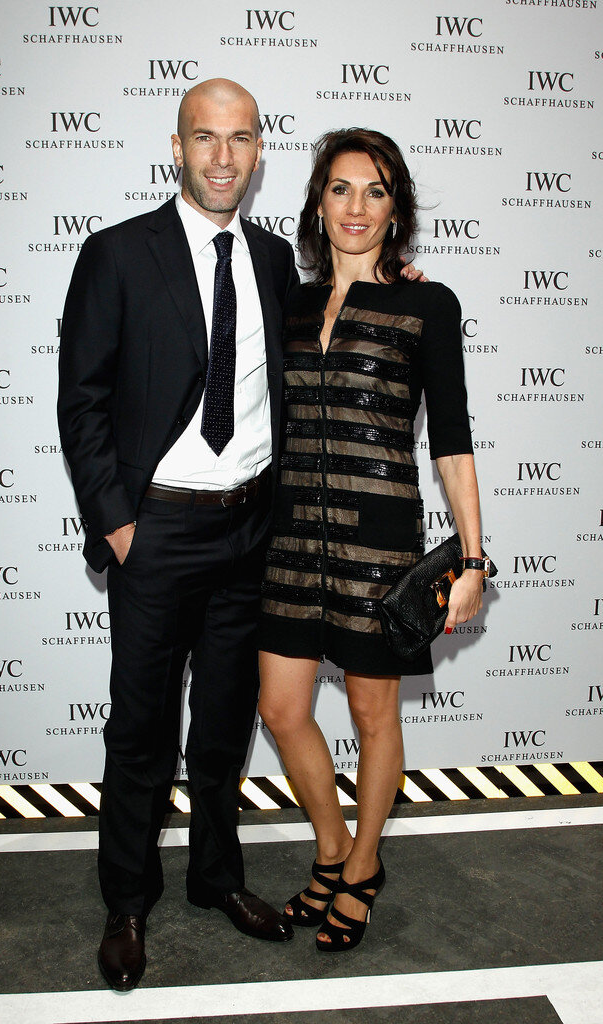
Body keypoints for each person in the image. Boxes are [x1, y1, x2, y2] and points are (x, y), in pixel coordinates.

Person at [59, 82, 425, 989]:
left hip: (252, 531)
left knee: (224, 727)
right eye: (205, 138)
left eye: (240, 139)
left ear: (260, 152)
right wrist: (119, 523)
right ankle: (127, 901)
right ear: (177, 146)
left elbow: (339, 324)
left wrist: (400, 292)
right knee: (141, 731)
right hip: (157, 530)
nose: (222, 157)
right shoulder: (117, 253)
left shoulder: (271, 262)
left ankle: (216, 877)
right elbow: (83, 399)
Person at [258, 128, 486, 952]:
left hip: (379, 542)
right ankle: (330, 848)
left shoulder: (427, 305)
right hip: (288, 537)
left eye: (375, 190)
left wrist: (471, 558)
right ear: (317, 204)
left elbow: (450, 439)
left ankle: (361, 867)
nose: (356, 206)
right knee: (281, 709)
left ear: (396, 211)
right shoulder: (287, 302)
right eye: (340, 189)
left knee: (369, 710)